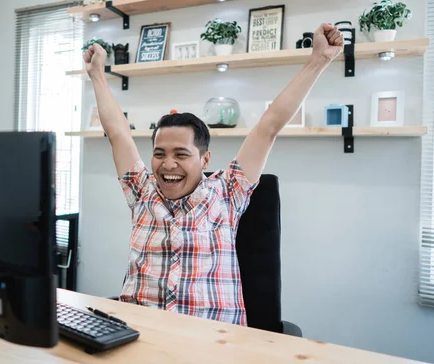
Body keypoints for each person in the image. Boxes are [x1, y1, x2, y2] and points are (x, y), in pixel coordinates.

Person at [83, 23, 344, 326]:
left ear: (205, 158)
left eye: (181, 154)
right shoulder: (142, 192)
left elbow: (270, 125)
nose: (167, 164)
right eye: (159, 154)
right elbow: (117, 132)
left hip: (212, 342)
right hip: (139, 334)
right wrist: (97, 74)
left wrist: (319, 60)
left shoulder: (228, 192)